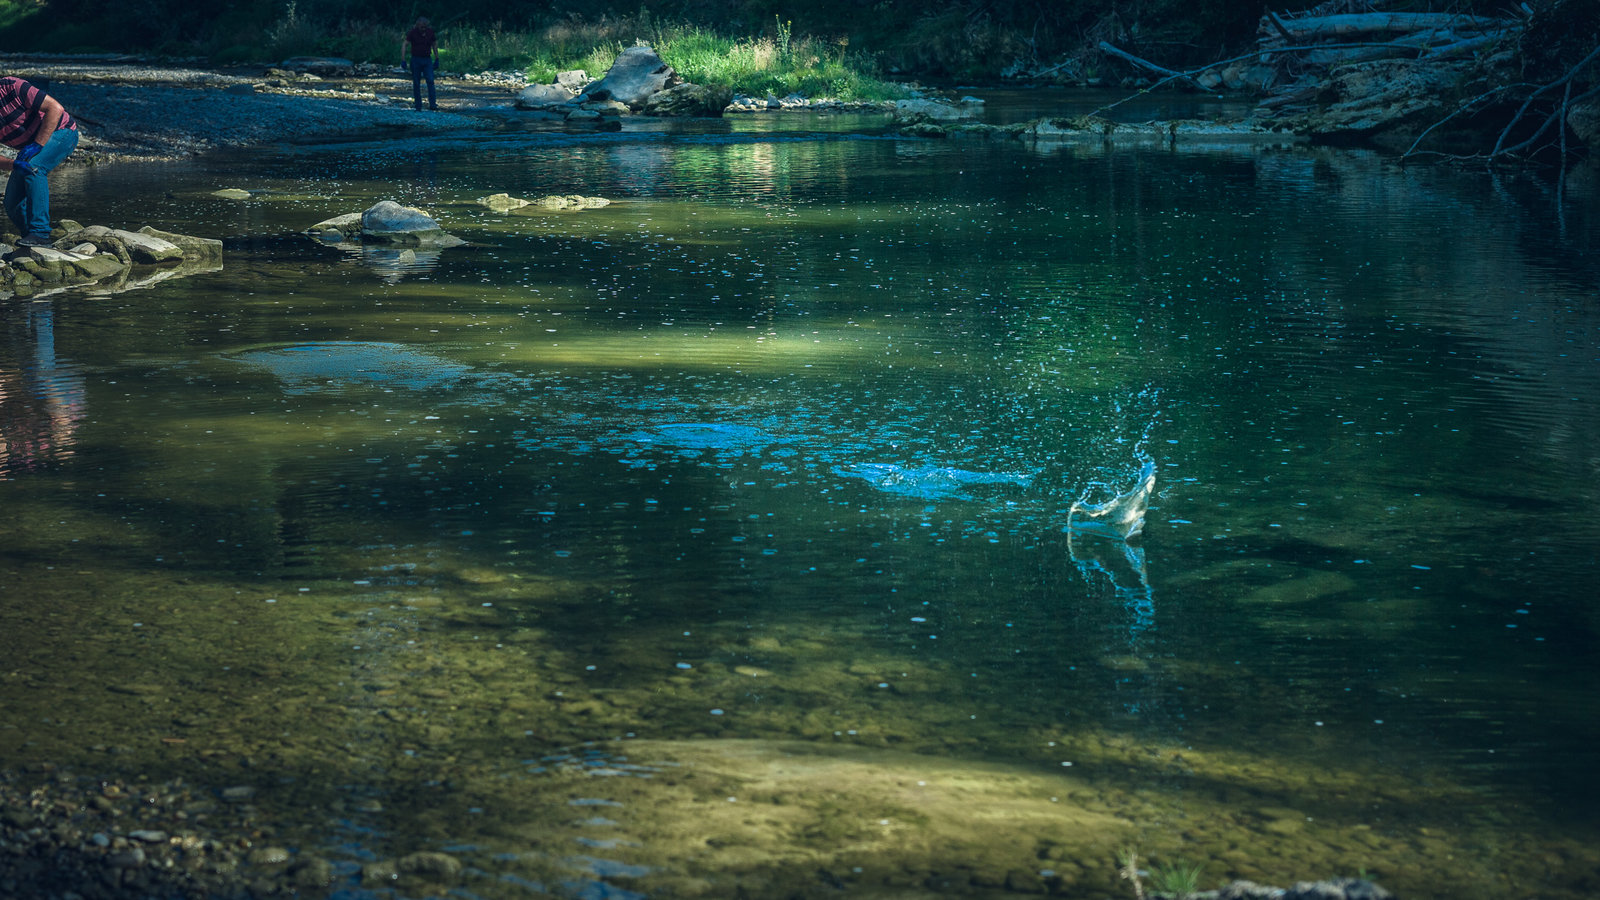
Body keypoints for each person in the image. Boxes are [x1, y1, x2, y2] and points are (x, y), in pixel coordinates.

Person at [0, 76, 79, 247]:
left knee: (35, 167)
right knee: (11, 203)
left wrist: (37, 145)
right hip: (29, 148)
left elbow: (55, 108)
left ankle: (40, 233)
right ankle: (29, 238)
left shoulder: (11, 86)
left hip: (62, 132)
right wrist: (14, 164)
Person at [402, 16, 441, 112]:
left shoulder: (430, 32)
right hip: (415, 60)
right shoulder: (412, 32)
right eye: (421, 27)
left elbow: (434, 45)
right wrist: (403, 60)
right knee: (416, 83)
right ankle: (418, 106)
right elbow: (405, 44)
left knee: (431, 81)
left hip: (427, 60)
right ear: (417, 25)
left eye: (425, 27)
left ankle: (433, 105)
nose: (423, 29)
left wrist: (437, 58)